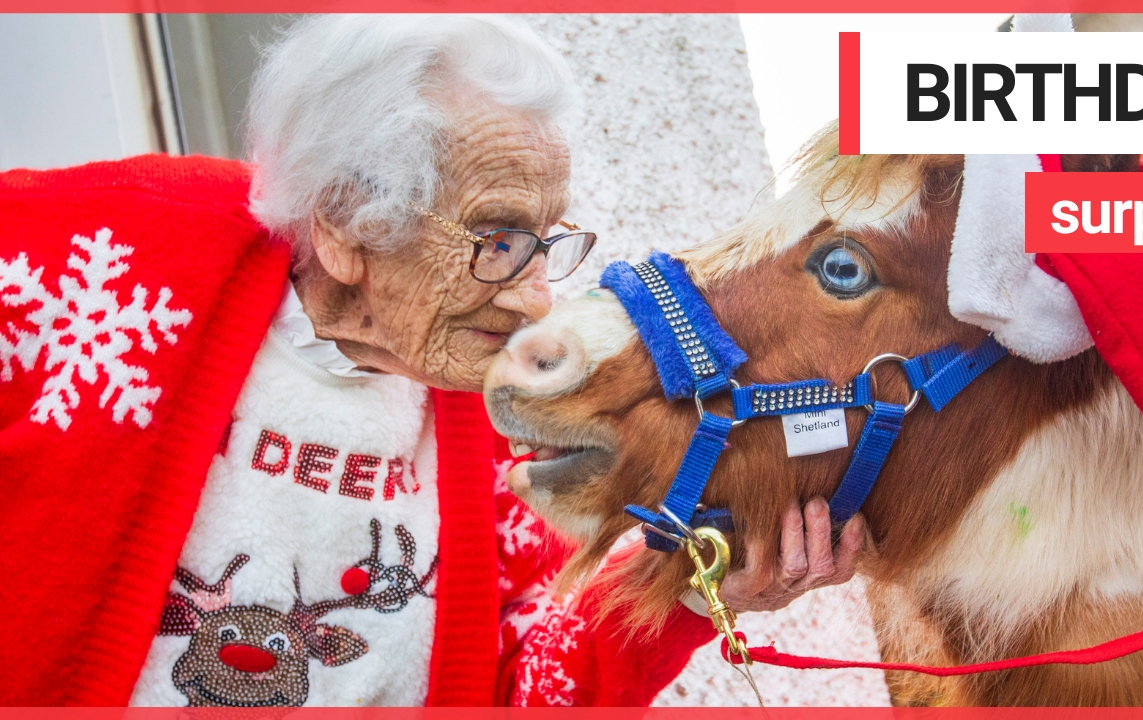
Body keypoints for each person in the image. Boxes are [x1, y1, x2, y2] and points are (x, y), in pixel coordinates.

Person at [0, 15, 858, 707]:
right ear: (343, 224)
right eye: (497, 240)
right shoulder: (101, 261)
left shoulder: (495, 411)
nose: (534, 299)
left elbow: (525, 684)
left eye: (544, 243)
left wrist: (688, 582)